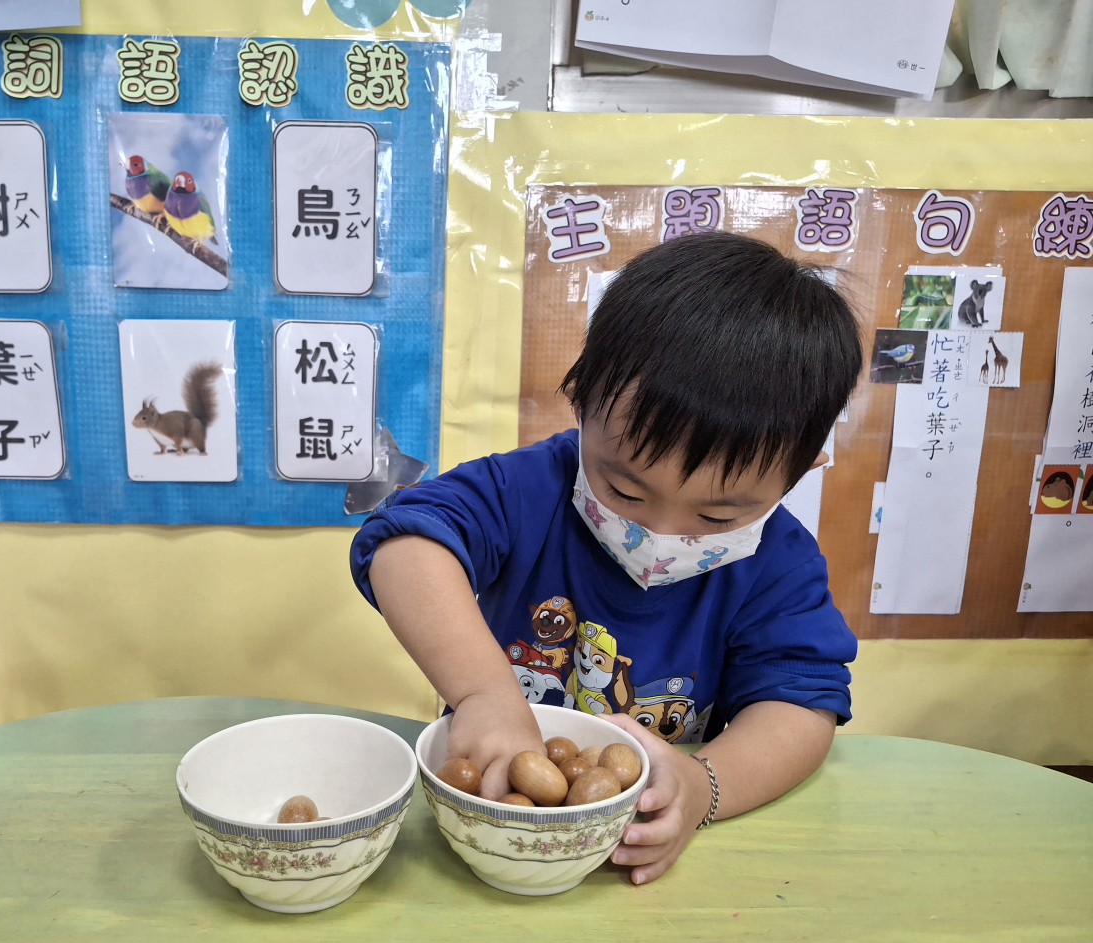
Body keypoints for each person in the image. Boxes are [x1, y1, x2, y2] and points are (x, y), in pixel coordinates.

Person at [350, 231, 862, 885]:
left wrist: (704, 786)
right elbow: (404, 548)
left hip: (639, 859)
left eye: (717, 516)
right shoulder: (528, 490)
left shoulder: (779, 563)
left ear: (800, 473)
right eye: (625, 489)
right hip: (486, 839)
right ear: (581, 401)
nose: (660, 532)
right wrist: (484, 694)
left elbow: (801, 707)